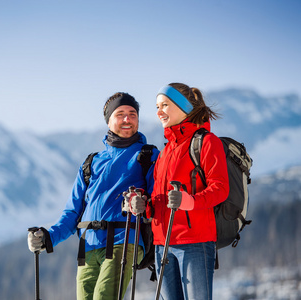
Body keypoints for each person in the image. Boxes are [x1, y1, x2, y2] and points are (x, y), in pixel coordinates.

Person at [27, 92, 159, 300]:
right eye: (120, 114)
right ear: (108, 121)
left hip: (124, 241)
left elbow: (156, 199)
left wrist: (143, 201)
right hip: (88, 247)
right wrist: (47, 237)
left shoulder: (148, 155)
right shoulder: (92, 162)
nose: (127, 119)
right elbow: (72, 212)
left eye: (132, 114)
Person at [129, 83, 229, 299]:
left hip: (195, 242)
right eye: (157, 106)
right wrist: (143, 206)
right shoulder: (165, 152)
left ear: (183, 107)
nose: (159, 111)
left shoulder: (207, 142)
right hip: (161, 243)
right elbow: (159, 200)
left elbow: (220, 188)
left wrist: (189, 201)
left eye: (165, 105)